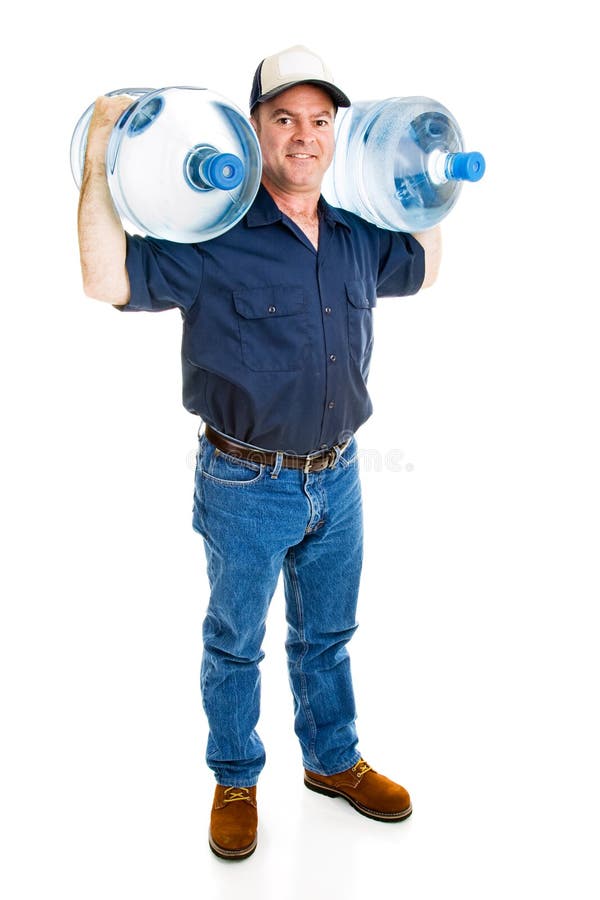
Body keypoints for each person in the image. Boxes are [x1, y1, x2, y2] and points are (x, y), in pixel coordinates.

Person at [77, 45, 441, 861]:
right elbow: (105, 280)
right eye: (285, 119)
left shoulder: (353, 234)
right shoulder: (211, 235)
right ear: (256, 129)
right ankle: (236, 777)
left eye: (319, 121)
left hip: (341, 477)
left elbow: (425, 268)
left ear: (338, 135)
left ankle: (333, 763)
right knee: (235, 640)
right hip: (244, 480)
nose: (303, 136)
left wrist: (421, 173)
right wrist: (100, 158)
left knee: (329, 635)